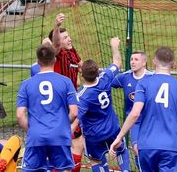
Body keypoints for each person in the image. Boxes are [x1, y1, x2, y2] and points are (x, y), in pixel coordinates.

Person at [109, 46, 177, 172]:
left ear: (153, 62)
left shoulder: (144, 84)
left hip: (146, 147)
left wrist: (119, 137)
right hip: (170, 148)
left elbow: (135, 114)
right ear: (173, 64)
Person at [16, 43, 78, 172]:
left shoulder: (26, 84)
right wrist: (64, 125)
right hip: (60, 135)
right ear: (54, 60)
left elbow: (20, 115)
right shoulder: (66, 81)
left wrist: (32, 130)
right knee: (64, 169)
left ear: (37, 61)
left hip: (36, 136)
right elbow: (74, 112)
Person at [77, 37, 130, 172]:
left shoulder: (82, 96)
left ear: (81, 74)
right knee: (121, 150)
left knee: (96, 161)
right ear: (97, 71)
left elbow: (77, 116)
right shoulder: (105, 78)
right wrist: (114, 46)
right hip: (112, 128)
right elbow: (117, 62)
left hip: (93, 135)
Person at [49, 13, 83, 171]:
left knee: (78, 144)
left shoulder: (72, 51)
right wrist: (56, 26)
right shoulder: (58, 54)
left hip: (73, 101)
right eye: (65, 38)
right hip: (61, 104)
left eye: (68, 36)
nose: (69, 39)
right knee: (63, 145)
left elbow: (80, 63)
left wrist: (81, 73)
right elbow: (55, 44)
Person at [111, 50, 153, 167]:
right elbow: (107, 82)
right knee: (136, 149)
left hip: (150, 120)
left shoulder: (152, 78)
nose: (132, 62)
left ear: (144, 63)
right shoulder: (125, 77)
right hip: (135, 122)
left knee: (153, 151)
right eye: (131, 59)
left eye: (136, 59)